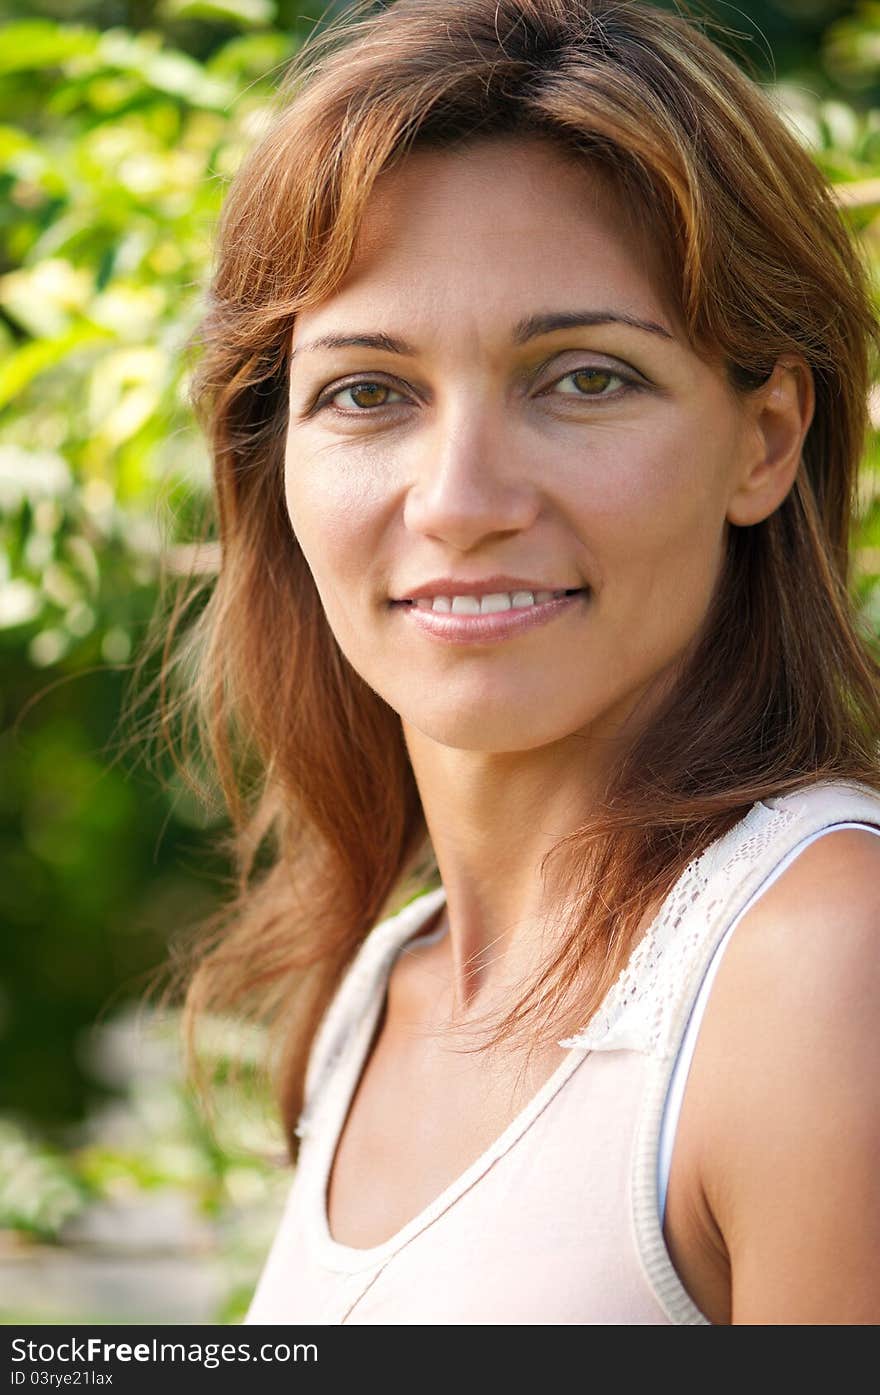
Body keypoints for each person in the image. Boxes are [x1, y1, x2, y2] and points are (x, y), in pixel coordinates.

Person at [167, 0, 880, 1324]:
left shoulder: (826, 970)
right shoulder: (381, 992)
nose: (461, 498)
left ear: (765, 440)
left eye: (584, 378)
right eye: (368, 392)